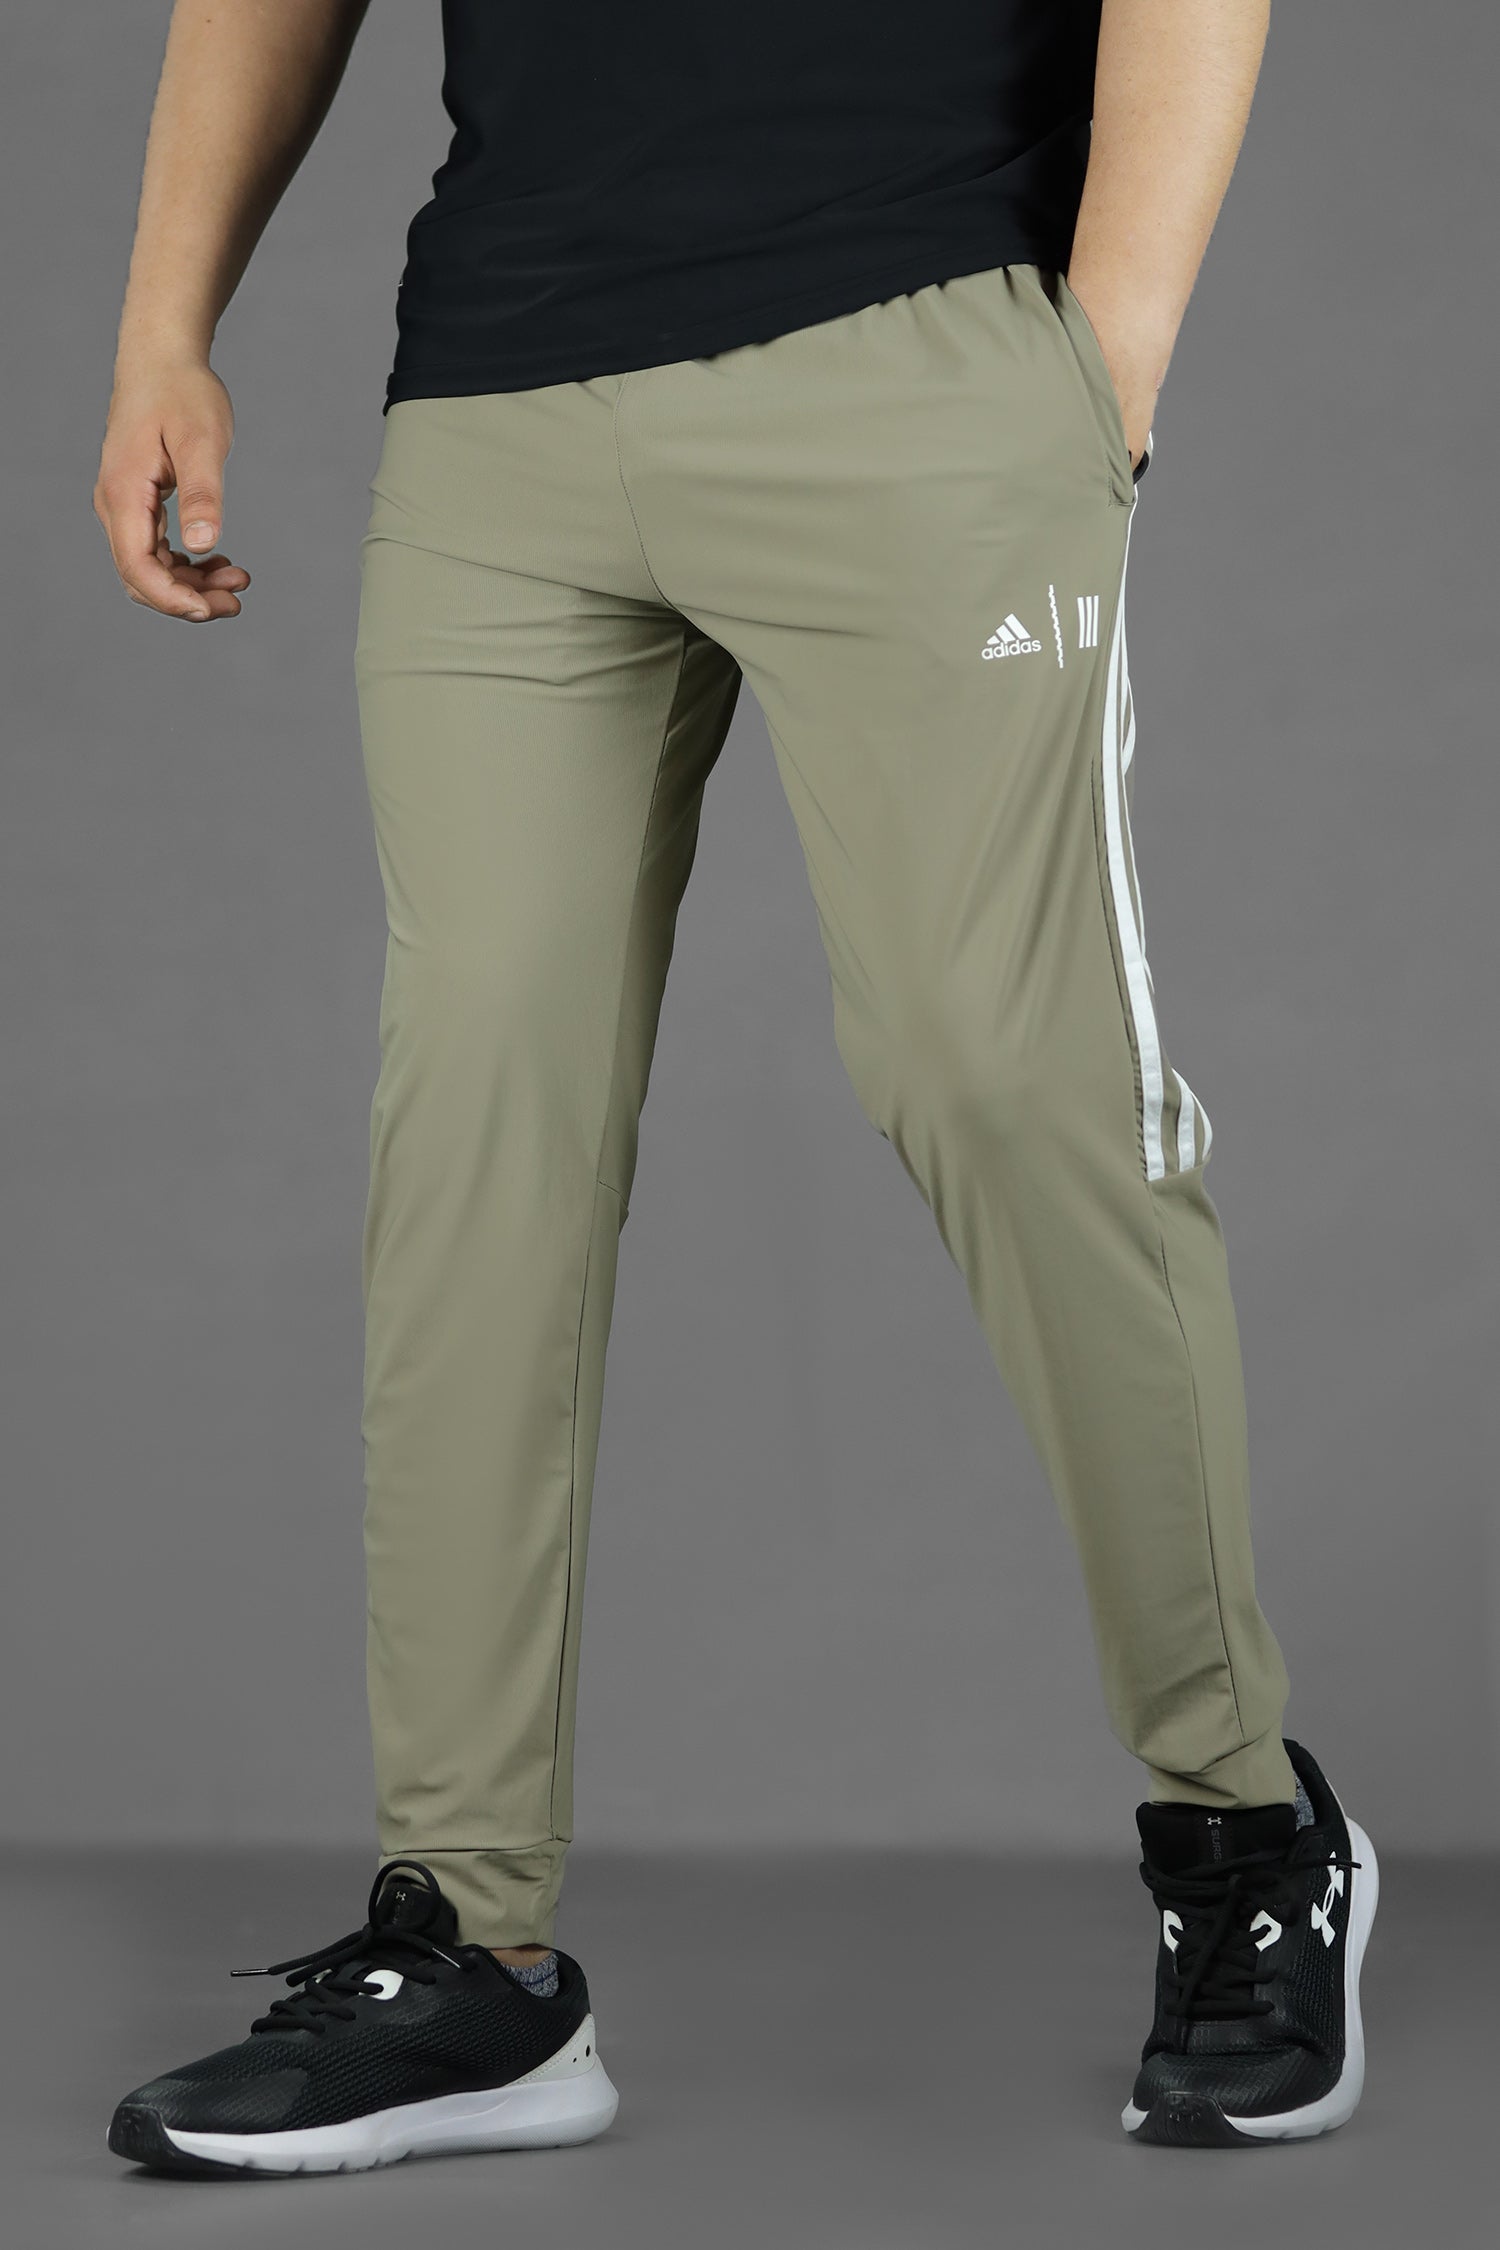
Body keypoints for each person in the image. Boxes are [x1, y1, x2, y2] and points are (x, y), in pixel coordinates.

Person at [93, 0, 1377, 2176]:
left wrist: (1111, 352)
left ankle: (1246, 1828)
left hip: (910, 333)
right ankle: (472, 1952)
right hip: (502, 394)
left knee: (1007, 1076)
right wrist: (164, 323)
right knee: (474, 1139)